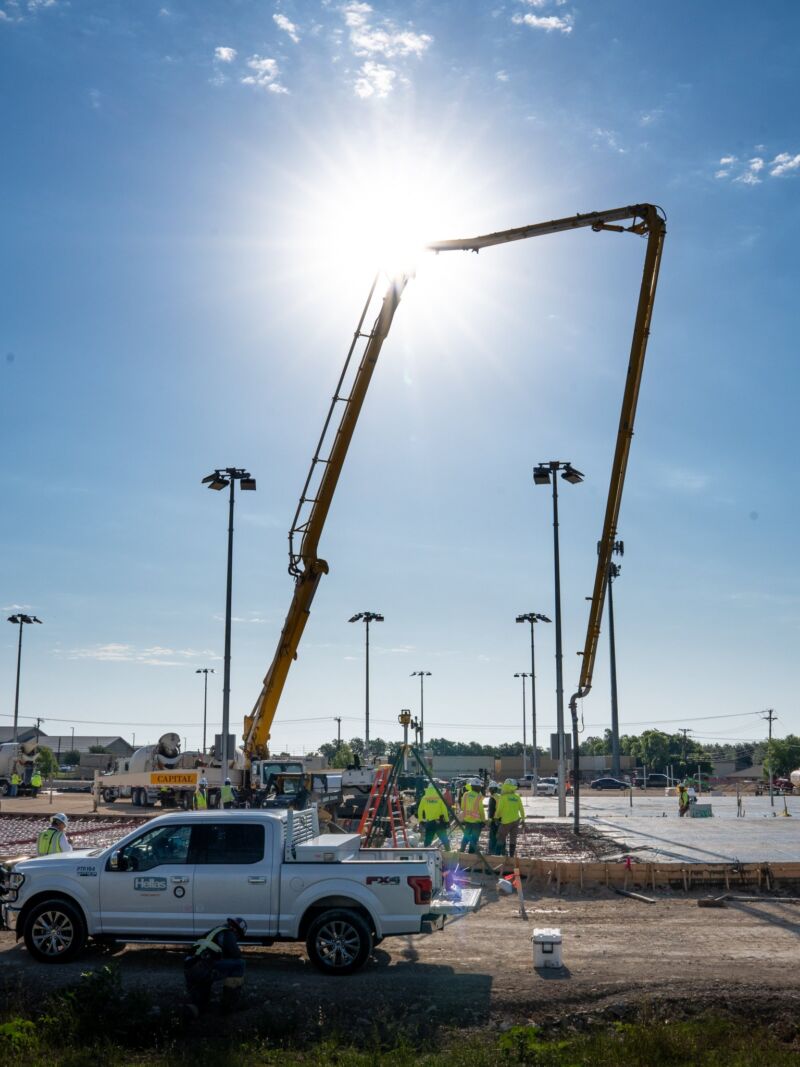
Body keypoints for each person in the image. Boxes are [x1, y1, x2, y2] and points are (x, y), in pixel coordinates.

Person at [184, 916, 247, 1017]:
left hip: (190, 969)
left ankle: (188, 1013)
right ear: (237, 931)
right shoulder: (228, 933)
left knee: (201, 1006)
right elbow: (236, 955)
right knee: (239, 964)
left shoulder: (213, 933)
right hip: (202, 968)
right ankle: (229, 1006)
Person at [494, 779, 525, 857]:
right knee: (513, 839)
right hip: (516, 821)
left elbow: (499, 809)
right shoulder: (517, 797)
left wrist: (496, 818)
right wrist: (523, 820)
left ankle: (497, 856)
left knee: (501, 837)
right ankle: (511, 856)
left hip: (506, 822)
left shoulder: (503, 797)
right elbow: (521, 809)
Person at [416, 784, 451, 849]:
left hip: (430, 822)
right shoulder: (439, 798)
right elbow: (444, 810)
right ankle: (449, 852)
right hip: (439, 822)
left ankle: (426, 855)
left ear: (428, 789)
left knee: (427, 841)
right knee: (444, 839)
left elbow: (420, 810)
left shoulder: (424, 798)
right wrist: (447, 821)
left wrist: (420, 820)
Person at [459, 779, 485, 854]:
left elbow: (463, 807)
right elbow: (481, 810)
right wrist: (483, 820)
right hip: (476, 821)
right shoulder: (479, 797)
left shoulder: (466, 794)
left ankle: (462, 850)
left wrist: (464, 817)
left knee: (466, 836)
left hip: (467, 820)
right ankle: (471, 853)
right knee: (474, 838)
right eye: (480, 787)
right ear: (478, 787)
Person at [487, 784, 501, 855]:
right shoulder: (499, 796)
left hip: (494, 820)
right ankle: (500, 851)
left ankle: (492, 851)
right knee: (500, 836)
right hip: (501, 819)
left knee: (493, 836)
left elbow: (491, 811)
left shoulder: (492, 798)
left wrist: (489, 821)